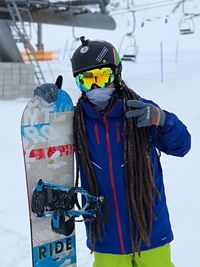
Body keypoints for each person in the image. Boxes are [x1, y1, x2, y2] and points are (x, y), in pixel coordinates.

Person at [34, 36, 191, 267]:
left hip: (152, 235)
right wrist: (49, 109)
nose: (96, 87)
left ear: (116, 74)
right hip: (107, 241)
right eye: (87, 81)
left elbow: (182, 146)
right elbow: (50, 147)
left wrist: (163, 120)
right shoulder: (76, 123)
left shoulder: (141, 112)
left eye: (102, 77)